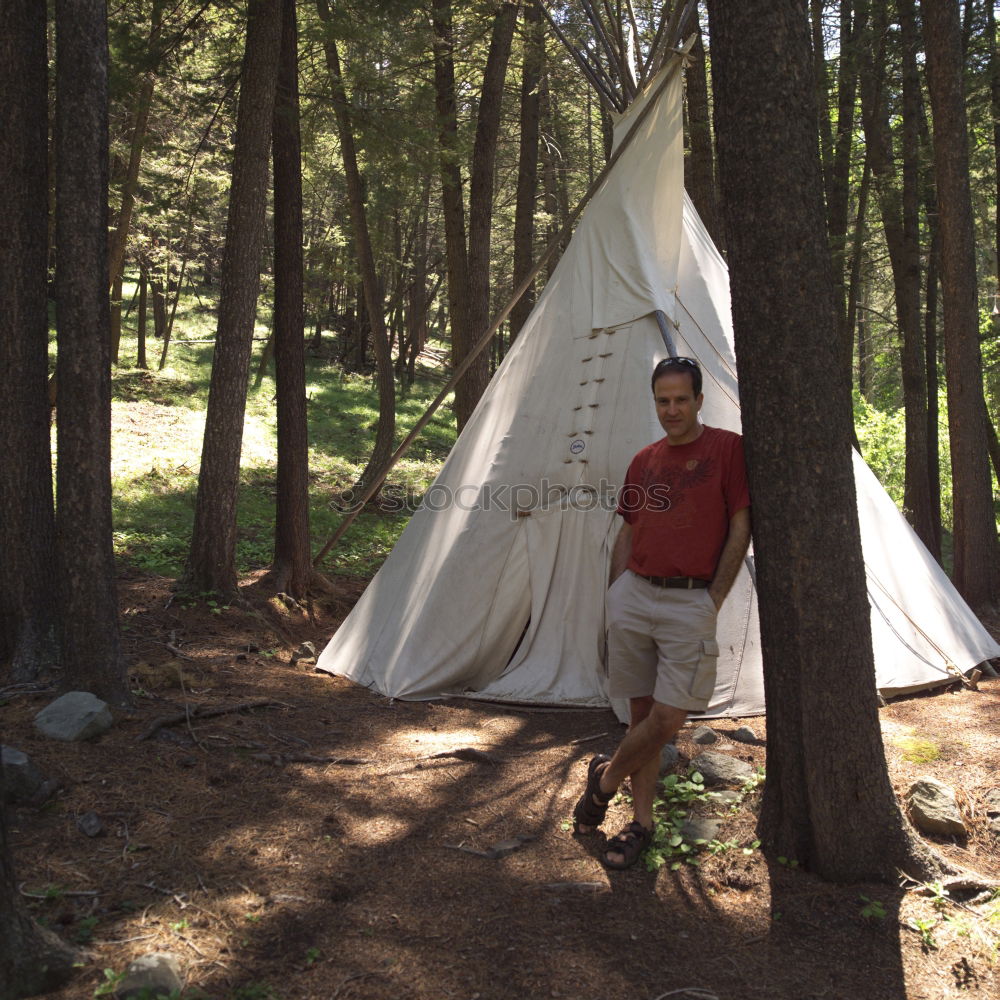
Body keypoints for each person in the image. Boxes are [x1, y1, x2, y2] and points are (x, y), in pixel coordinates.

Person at [573, 355, 751, 869]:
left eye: (680, 399)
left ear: (699, 399)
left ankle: (602, 783)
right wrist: (615, 597)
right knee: (642, 714)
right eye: (662, 400)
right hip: (635, 595)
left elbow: (741, 526)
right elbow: (627, 531)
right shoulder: (645, 459)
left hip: (690, 599)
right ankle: (641, 823)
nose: (671, 410)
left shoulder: (726, 450)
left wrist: (711, 599)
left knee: (670, 717)